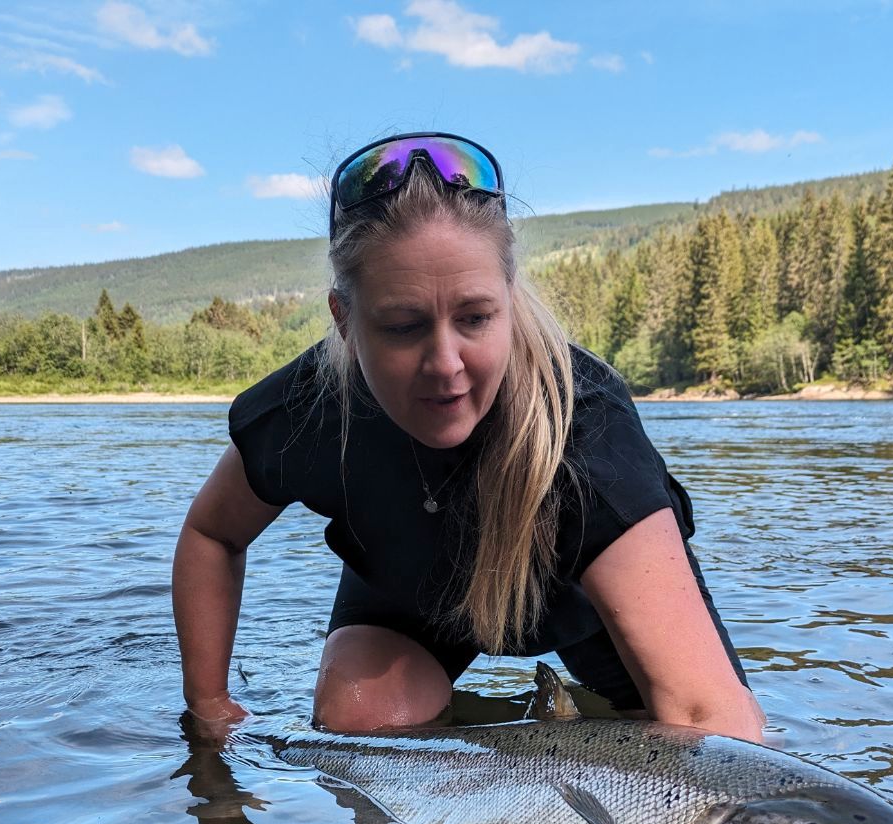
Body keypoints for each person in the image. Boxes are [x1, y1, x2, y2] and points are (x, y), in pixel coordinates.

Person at [172, 132, 763, 742]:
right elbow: (213, 534)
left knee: (691, 747)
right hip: (411, 594)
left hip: (585, 613)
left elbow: (711, 720)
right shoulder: (311, 406)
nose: (446, 365)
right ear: (344, 321)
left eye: (475, 318)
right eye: (403, 326)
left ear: (509, 297)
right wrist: (209, 706)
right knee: (360, 725)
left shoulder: (585, 429)